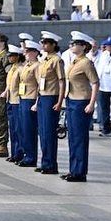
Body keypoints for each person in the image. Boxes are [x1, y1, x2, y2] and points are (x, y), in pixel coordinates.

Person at [62, 31, 99, 182]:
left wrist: (92, 103)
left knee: (79, 138)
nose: (72, 46)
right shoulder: (74, 61)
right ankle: (73, 170)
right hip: (71, 100)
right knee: (72, 138)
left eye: (75, 44)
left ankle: (80, 172)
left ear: (84, 47)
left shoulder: (86, 62)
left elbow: (95, 83)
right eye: (72, 44)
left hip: (81, 103)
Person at [36, 31, 66, 175]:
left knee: (49, 132)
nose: (44, 45)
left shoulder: (56, 60)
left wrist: (60, 101)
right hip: (42, 97)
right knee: (42, 132)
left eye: (46, 43)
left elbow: (61, 81)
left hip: (51, 98)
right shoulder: (44, 60)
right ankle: (45, 162)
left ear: (54, 44)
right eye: (43, 43)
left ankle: (51, 164)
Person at [17, 40, 41, 167]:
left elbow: (40, 86)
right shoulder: (27, 65)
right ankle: (26, 154)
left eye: (28, 51)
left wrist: (37, 102)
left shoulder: (37, 66)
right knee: (23, 129)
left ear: (35, 53)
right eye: (25, 51)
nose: (25, 53)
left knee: (29, 130)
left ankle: (31, 157)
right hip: (23, 98)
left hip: (31, 99)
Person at [5, 44, 24, 163]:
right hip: (10, 100)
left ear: (17, 56)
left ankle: (19, 152)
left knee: (18, 129)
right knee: (12, 128)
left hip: (17, 100)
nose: (9, 58)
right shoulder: (11, 69)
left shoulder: (20, 69)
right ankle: (14, 152)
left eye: (11, 56)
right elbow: (9, 85)